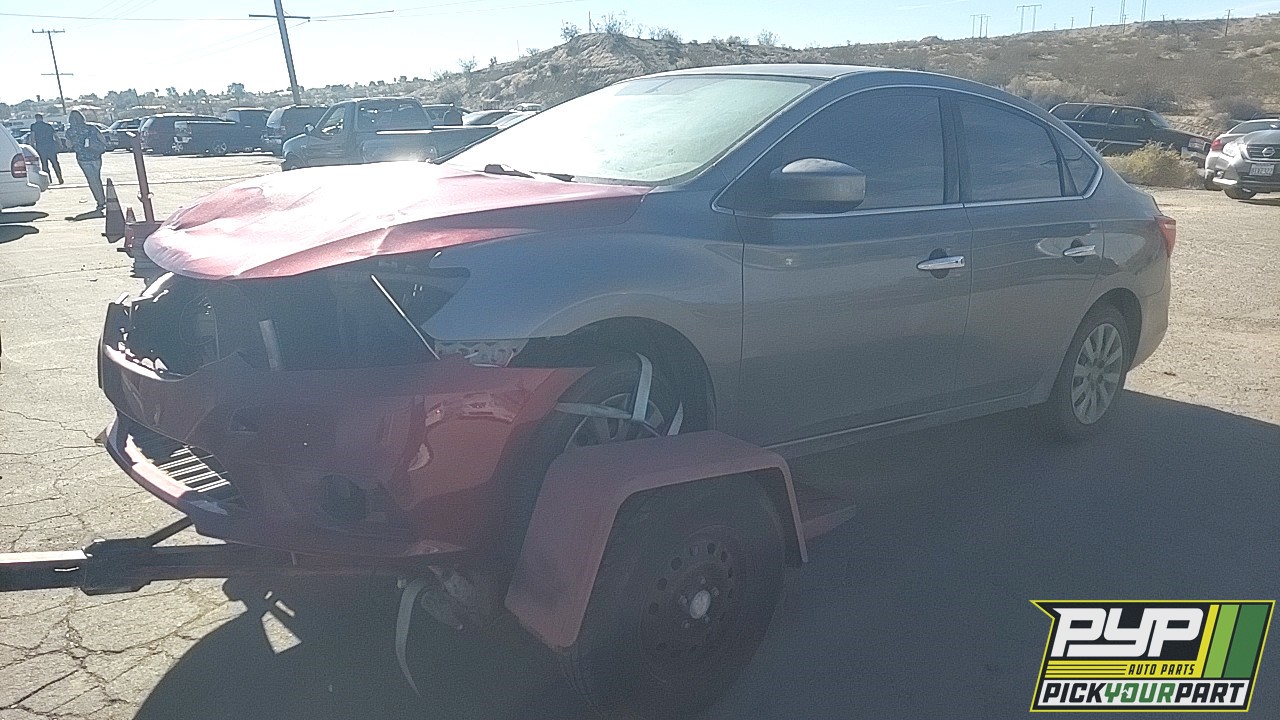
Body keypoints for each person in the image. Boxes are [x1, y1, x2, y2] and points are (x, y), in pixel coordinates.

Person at [64, 111, 108, 212]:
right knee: (97, 178)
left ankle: (100, 201)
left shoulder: (70, 132)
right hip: (96, 155)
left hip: (82, 158)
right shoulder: (91, 127)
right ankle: (103, 197)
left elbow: (69, 145)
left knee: (91, 180)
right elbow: (102, 139)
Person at [28, 113, 63, 184]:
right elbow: (55, 136)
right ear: (42, 118)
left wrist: (32, 145)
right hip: (51, 146)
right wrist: (60, 144)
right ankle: (60, 178)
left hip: (41, 147)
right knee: (55, 163)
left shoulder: (34, 126)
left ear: (36, 118)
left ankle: (49, 180)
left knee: (44, 164)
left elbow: (32, 136)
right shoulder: (48, 126)